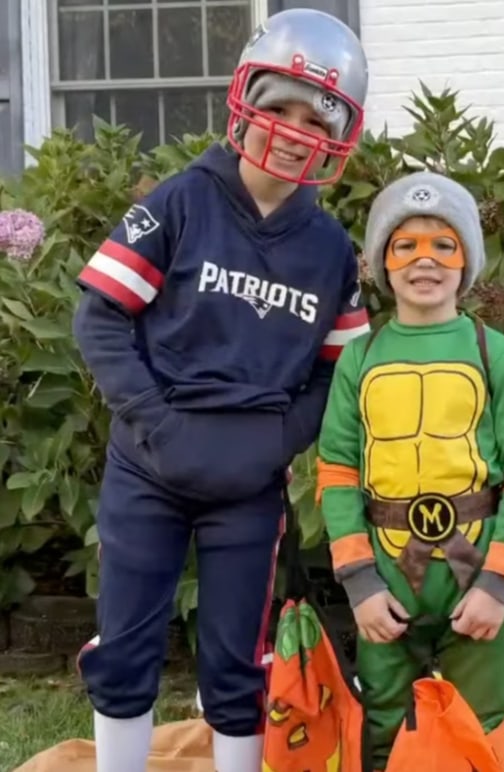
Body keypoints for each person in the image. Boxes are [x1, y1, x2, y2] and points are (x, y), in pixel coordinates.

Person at [70, 9, 370, 772]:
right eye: (280, 106)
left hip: (249, 482)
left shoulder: (330, 249)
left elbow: (340, 371)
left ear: (341, 132)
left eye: (316, 115)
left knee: (238, 656)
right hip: (149, 465)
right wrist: (156, 423)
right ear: (245, 98)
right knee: (128, 643)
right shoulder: (181, 201)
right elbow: (102, 317)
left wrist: (277, 440)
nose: (295, 129)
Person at [316, 171, 504, 771]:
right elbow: (338, 471)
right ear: (381, 262)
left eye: (443, 245)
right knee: (386, 720)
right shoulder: (360, 359)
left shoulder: (495, 354)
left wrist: (499, 584)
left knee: (483, 721)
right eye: (406, 246)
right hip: (387, 567)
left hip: (477, 562)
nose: (425, 261)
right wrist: (361, 584)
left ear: (466, 259)